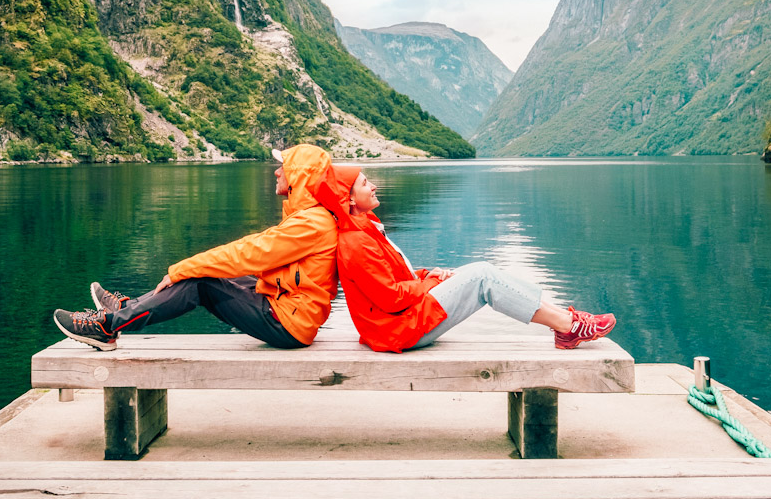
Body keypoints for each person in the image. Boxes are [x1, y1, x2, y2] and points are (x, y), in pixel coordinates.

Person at [53, 144, 339, 351]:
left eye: (284, 167)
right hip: (288, 307)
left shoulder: (311, 223)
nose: (277, 172)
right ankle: (128, 306)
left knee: (199, 284)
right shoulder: (308, 216)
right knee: (216, 274)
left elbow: (247, 253)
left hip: (287, 324)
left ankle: (108, 325)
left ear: (300, 175)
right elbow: (253, 257)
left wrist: (180, 269)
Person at [314, 165, 616, 354]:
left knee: (480, 271)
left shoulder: (364, 229)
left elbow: (392, 278)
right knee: (482, 276)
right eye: (366, 183)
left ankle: (567, 322)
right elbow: (391, 298)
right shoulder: (355, 241)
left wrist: (425, 274)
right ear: (349, 198)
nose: (374, 186)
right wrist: (432, 281)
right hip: (397, 330)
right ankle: (567, 326)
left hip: (399, 322)